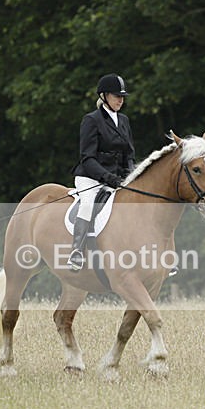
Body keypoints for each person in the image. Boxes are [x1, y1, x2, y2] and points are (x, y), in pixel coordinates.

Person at [67, 73, 136, 271]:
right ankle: (76, 252)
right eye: (116, 96)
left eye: (122, 96)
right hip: (91, 177)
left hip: (116, 178)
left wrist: (130, 177)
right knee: (88, 203)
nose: (120, 100)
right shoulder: (91, 120)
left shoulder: (123, 120)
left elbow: (129, 154)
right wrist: (107, 177)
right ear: (104, 96)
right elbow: (87, 157)